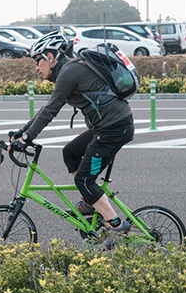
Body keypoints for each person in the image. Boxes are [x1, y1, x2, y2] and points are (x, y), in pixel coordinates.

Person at [9, 32, 135, 248]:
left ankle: (117, 226)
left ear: (50, 56)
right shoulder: (69, 71)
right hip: (107, 128)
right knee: (70, 152)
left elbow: (51, 110)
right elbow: (47, 107)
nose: (36, 68)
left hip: (114, 129)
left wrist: (27, 138)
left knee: (83, 180)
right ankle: (90, 200)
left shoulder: (70, 71)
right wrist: (22, 132)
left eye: (37, 61)